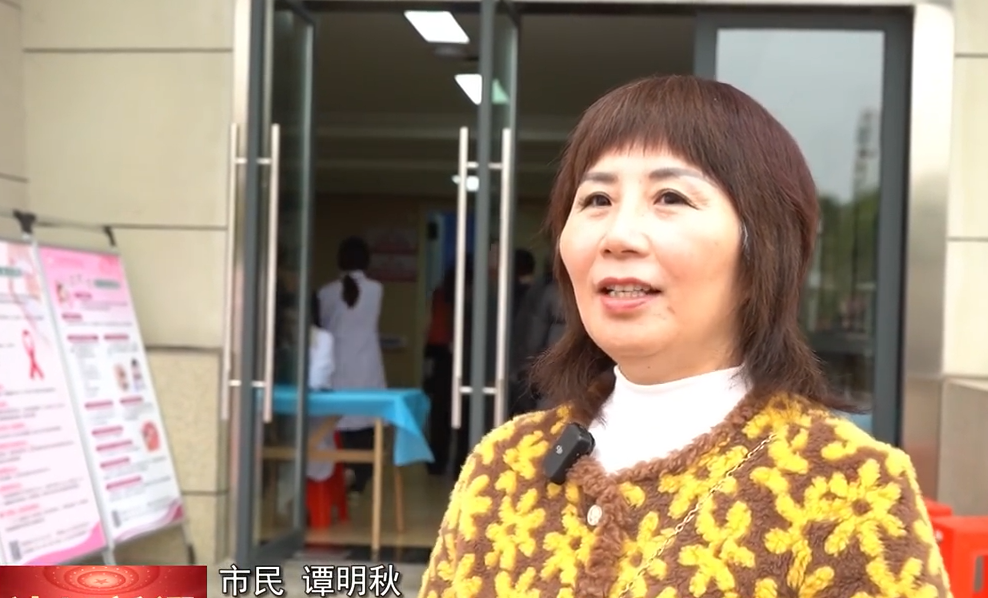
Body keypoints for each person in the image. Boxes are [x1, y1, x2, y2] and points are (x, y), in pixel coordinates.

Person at [419, 75, 949, 598]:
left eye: (670, 197)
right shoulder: (505, 464)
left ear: (763, 250)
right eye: (597, 199)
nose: (618, 235)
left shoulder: (848, 487)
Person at [317, 236, 385, 498]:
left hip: (336, 367)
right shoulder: (376, 290)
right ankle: (359, 480)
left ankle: (340, 476)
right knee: (365, 425)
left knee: (335, 425)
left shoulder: (325, 293)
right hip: (367, 367)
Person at [424, 265, 455, 476]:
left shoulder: (440, 295)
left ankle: (437, 462)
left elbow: (432, 328)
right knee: (465, 411)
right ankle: (463, 460)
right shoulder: (475, 295)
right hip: (467, 356)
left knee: (439, 413)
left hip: (441, 356)